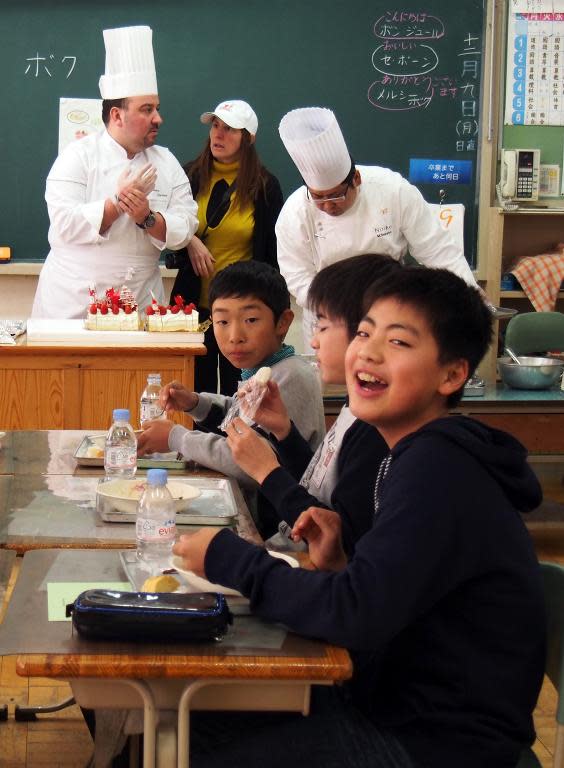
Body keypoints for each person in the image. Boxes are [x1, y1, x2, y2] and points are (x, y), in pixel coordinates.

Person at [173, 265, 545, 768]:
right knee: (182, 713)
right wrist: (345, 558)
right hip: (389, 701)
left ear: (452, 374)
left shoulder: (439, 469)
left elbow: (355, 612)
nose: (366, 351)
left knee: (184, 733)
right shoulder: (409, 453)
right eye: (365, 332)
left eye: (398, 342)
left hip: (433, 742)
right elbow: (383, 592)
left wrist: (229, 557)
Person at [227, 253, 399, 554]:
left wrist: (267, 471)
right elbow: (320, 486)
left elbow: (336, 542)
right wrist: (285, 433)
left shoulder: (375, 433)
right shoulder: (353, 410)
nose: (314, 341)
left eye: (321, 326)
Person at [138, 261, 325, 535]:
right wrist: (194, 403)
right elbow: (237, 417)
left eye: (250, 320)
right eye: (222, 322)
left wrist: (176, 437)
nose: (234, 336)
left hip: (280, 533)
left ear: (283, 322)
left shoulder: (290, 377)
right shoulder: (267, 368)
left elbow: (248, 460)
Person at [31, 25, 198, 319]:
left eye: (156, 108)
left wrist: (146, 218)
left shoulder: (167, 163)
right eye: (146, 110)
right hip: (74, 303)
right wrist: (115, 205)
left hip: (141, 301)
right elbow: (65, 223)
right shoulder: (77, 156)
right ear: (117, 115)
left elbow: (185, 225)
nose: (158, 118)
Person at [275, 106, 482, 341]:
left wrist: (470, 295)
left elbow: (436, 248)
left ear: (356, 179)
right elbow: (297, 275)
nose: (328, 205)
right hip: (329, 319)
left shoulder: (392, 190)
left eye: (335, 196)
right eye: (318, 197)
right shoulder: (295, 212)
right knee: (330, 378)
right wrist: (337, 307)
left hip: (388, 313)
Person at [168, 99, 283, 395]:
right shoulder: (189, 176)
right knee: (194, 393)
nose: (218, 134)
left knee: (239, 396)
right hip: (193, 306)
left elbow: (272, 255)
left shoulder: (265, 186)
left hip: (242, 314)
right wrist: (189, 241)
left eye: (230, 129)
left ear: (249, 138)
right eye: (215, 127)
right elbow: (168, 227)